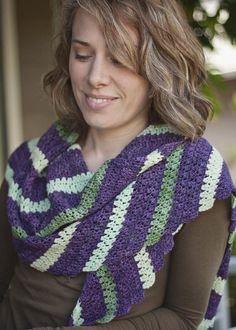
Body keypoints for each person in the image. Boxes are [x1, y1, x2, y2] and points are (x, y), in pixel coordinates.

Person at [0, 0, 236, 329]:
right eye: (83, 54)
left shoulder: (194, 175)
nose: (95, 77)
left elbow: (184, 319)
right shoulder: (27, 166)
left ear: (158, 63)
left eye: (119, 58)